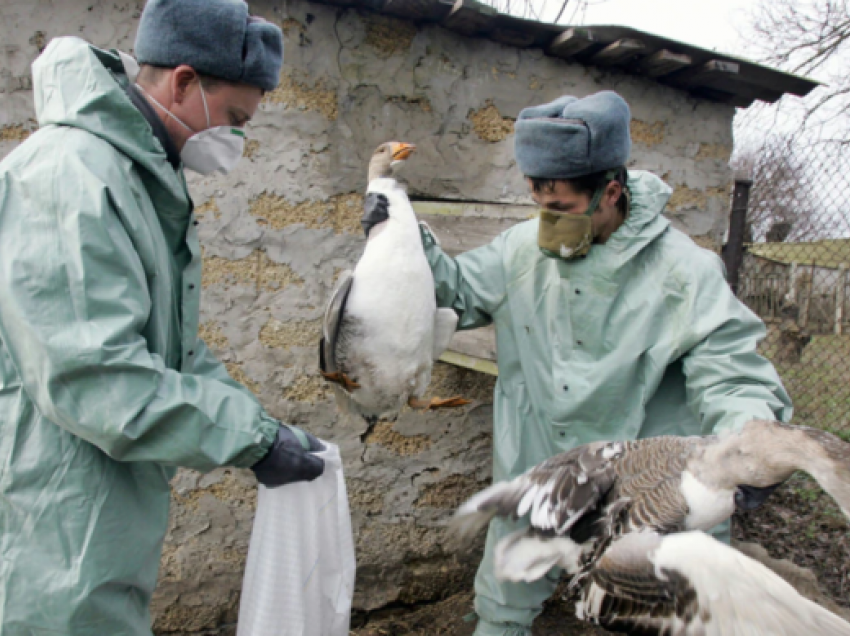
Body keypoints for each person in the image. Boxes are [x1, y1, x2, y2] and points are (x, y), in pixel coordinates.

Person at [362, 91, 793, 636]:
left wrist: (748, 447)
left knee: (669, 616)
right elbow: (451, 290)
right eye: (538, 204)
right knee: (502, 603)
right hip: (547, 473)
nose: (546, 222)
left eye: (560, 209)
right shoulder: (520, 251)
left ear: (610, 192)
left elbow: (732, 373)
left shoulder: (685, 273)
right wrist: (397, 231)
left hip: (647, 489)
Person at [0, 1, 324, 633]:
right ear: (183, 81)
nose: (235, 139)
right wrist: (253, 440)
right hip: (50, 508)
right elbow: (99, 380)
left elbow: (170, 348)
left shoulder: (137, 177)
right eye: (234, 118)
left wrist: (260, 421)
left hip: (97, 502)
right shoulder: (70, 177)